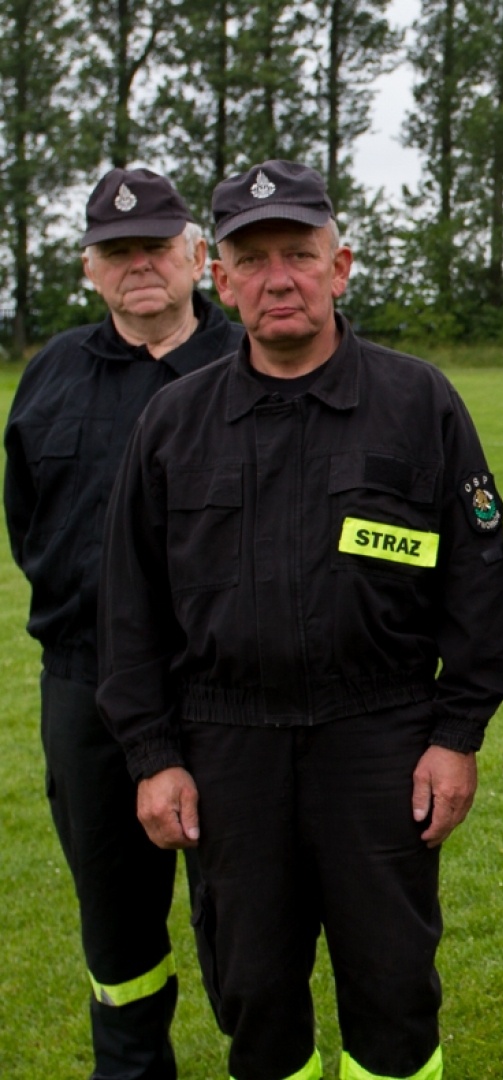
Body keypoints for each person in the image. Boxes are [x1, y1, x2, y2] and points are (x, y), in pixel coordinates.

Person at [97, 159, 503, 1080]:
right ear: (220, 276)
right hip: (226, 746)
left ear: (342, 264)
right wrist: (154, 756)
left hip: (378, 741)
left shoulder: (418, 405)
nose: (277, 277)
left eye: (300, 253)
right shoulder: (173, 424)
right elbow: (128, 613)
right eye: (252, 259)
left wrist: (456, 735)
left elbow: (480, 585)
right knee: (253, 995)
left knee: (396, 987)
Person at [4, 167, 240, 1080]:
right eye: (117, 252)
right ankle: (131, 1067)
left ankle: (256, 1049)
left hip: (223, 684)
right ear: (89, 269)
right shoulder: (52, 375)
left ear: (196, 257)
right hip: (87, 684)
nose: (140, 265)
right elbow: (29, 517)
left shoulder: (249, 359)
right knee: (115, 913)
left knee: (242, 909)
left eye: (157, 246)